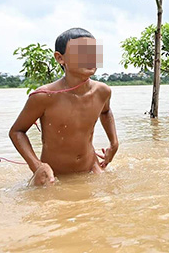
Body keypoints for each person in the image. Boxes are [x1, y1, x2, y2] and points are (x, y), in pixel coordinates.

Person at [9, 28, 119, 186]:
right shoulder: (44, 96)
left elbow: (106, 112)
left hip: (91, 169)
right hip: (55, 176)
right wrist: (36, 166)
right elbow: (16, 131)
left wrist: (114, 143)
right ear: (60, 58)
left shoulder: (102, 91)